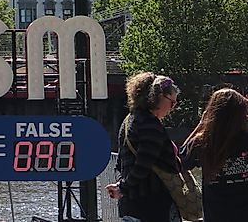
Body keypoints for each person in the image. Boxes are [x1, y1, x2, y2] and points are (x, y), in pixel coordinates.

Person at [105, 72, 182, 222]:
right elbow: (143, 164)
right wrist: (123, 187)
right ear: (158, 98)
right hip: (153, 204)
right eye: (172, 102)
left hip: (130, 204)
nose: (172, 108)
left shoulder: (128, 121)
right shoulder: (150, 125)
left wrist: (122, 186)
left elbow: (121, 163)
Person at [180, 88, 248, 221]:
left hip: (215, 213)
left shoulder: (203, 141)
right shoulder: (245, 138)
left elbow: (182, 160)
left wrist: (200, 125)